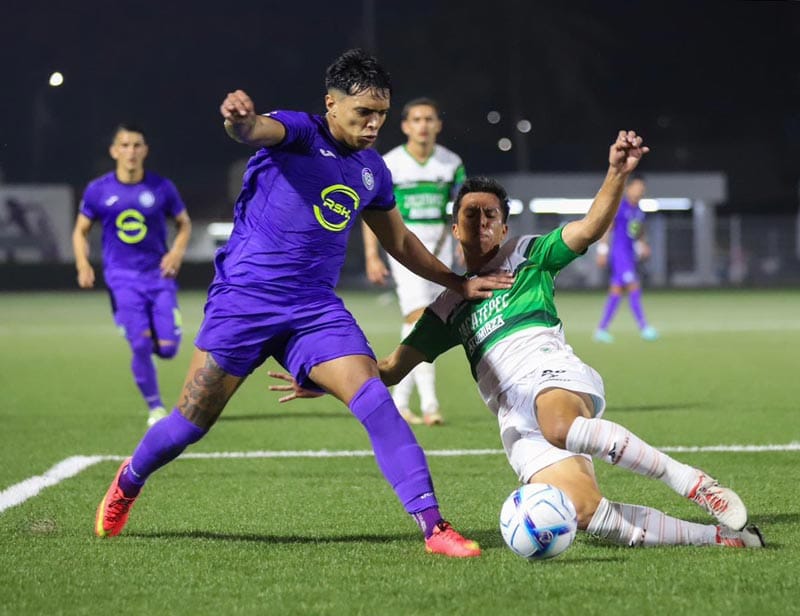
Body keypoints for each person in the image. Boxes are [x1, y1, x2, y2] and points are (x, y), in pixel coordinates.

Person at [93, 49, 514, 558]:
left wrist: (457, 282)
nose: (374, 124)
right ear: (331, 105)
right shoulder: (298, 131)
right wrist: (241, 122)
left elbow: (399, 243)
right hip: (244, 302)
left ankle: (433, 526)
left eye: (381, 114)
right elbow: (254, 132)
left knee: (376, 401)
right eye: (363, 113)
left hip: (313, 310)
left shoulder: (372, 170)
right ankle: (128, 481)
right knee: (189, 422)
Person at [271, 133, 764, 549]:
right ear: (454, 226)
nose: (481, 223)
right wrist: (327, 376)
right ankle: (720, 539)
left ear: (504, 227)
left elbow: (590, 228)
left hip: (552, 378)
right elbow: (390, 370)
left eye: (490, 216)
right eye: (470, 215)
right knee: (586, 512)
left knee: (557, 423)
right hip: (513, 420)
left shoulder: (529, 255)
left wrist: (615, 173)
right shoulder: (447, 307)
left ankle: (694, 483)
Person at [72, 124, 192, 427]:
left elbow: (184, 223)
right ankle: (155, 408)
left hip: (159, 276)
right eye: (124, 146)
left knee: (167, 349)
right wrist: (83, 264)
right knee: (140, 344)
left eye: (137, 145)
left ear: (145, 150)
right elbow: (80, 231)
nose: (131, 151)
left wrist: (176, 252)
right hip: (121, 277)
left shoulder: (161, 187)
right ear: (114, 151)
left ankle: (148, 342)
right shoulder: (98, 190)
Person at [362, 97, 465, 427]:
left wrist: (465, 242)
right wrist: (371, 255)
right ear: (406, 126)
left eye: (429, 119)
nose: (423, 125)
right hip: (404, 249)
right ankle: (430, 404)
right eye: (416, 119)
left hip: (442, 251)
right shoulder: (391, 163)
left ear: (438, 125)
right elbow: (372, 212)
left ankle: (401, 403)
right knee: (419, 317)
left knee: (430, 321)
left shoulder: (451, 163)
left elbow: (463, 208)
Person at [593, 175, 658, 342]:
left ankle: (601, 329)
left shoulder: (639, 211)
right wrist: (602, 250)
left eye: (642, 188)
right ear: (628, 189)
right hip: (620, 254)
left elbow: (638, 231)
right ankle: (644, 327)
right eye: (636, 187)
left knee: (616, 291)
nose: (640, 191)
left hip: (629, 255)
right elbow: (607, 228)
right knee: (634, 287)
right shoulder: (620, 207)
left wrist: (643, 244)